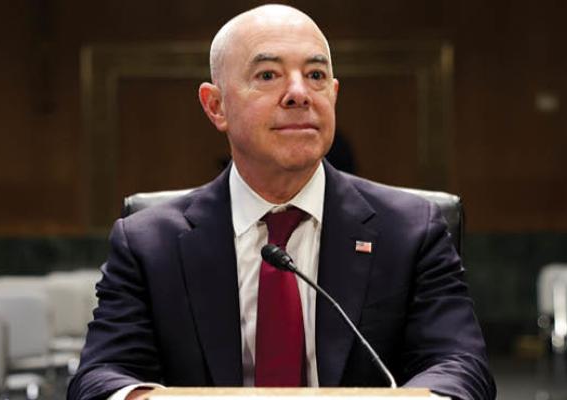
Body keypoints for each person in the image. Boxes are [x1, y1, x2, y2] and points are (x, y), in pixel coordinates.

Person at [68, 4, 496, 400]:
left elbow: (460, 366)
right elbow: (102, 374)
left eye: (315, 75)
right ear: (216, 106)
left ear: (333, 94)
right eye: (269, 75)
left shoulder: (410, 229)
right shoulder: (148, 242)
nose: (299, 93)